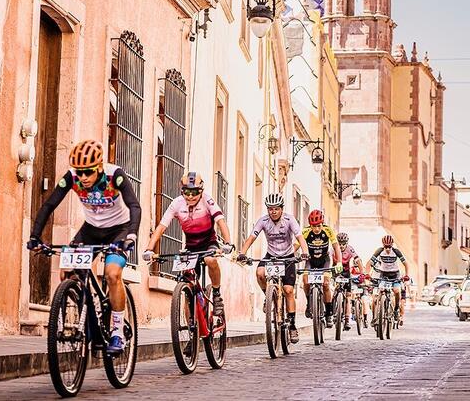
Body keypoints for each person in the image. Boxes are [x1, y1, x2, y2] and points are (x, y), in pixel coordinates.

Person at [27, 140, 141, 354]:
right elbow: (49, 204)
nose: (83, 178)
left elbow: (134, 205)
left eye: (88, 172)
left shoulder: (114, 175)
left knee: (112, 274)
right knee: (67, 275)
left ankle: (117, 332)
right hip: (91, 230)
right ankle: (87, 324)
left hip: (119, 230)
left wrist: (132, 235)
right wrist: (35, 236)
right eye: (80, 173)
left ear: (98, 167)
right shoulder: (72, 177)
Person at [142, 172, 233, 316]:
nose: (190, 196)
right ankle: (191, 325)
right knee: (187, 282)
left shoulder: (207, 200)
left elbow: (220, 221)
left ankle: (216, 293)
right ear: (182, 191)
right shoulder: (177, 203)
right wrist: (149, 249)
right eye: (186, 192)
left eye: (194, 192)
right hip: (191, 247)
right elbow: (161, 227)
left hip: (209, 243)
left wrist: (228, 243)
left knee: (210, 260)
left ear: (201, 191)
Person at [236, 193, 308, 343]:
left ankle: (292, 326)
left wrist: (305, 253)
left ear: (281, 209)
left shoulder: (289, 220)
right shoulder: (263, 221)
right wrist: (242, 252)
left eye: (276, 209)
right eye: (270, 209)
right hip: (271, 255)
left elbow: (299, 237)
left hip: (288, 256)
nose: (273, 211)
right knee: (260, 273)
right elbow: (251, 237)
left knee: (288, 290)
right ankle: (268, 296)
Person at [296, 210, 342, 328]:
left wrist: (339, 262)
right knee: (305, 281)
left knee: (326, 284)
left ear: (322, 224)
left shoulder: (328, 230)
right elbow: (295, 246)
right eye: (314, 226)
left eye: (319, 226)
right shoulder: (305, 232)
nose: (316, 229)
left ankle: (329, 313)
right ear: (310, 226)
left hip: (324, 261)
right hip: (310, 260)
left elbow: (336, 247)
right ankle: (309, 303)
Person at [366, 235, 409, 326]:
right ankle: (376, 315)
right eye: (386, 246)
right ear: (383, 245)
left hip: (395, 274)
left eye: (389, 246)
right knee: (380, 292)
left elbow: (406, 264)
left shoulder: (396, 251)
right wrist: (367, 274)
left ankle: (396, 309)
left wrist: (406, 275)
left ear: (392, 245)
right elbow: (369, 263)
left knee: (397, 291)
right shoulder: (380, 251)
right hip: (383, 274)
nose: (388, 249)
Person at [336, 231, 361, 330]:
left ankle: (346, 320)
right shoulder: (334, 248)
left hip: (346, 272)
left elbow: (358, 259)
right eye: (339, 243)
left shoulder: (350, 248)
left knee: (348, 297)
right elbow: (327, 259)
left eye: (343, 244)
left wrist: (362, 272)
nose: (341, 246)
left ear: (346, 243)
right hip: (335, 271)